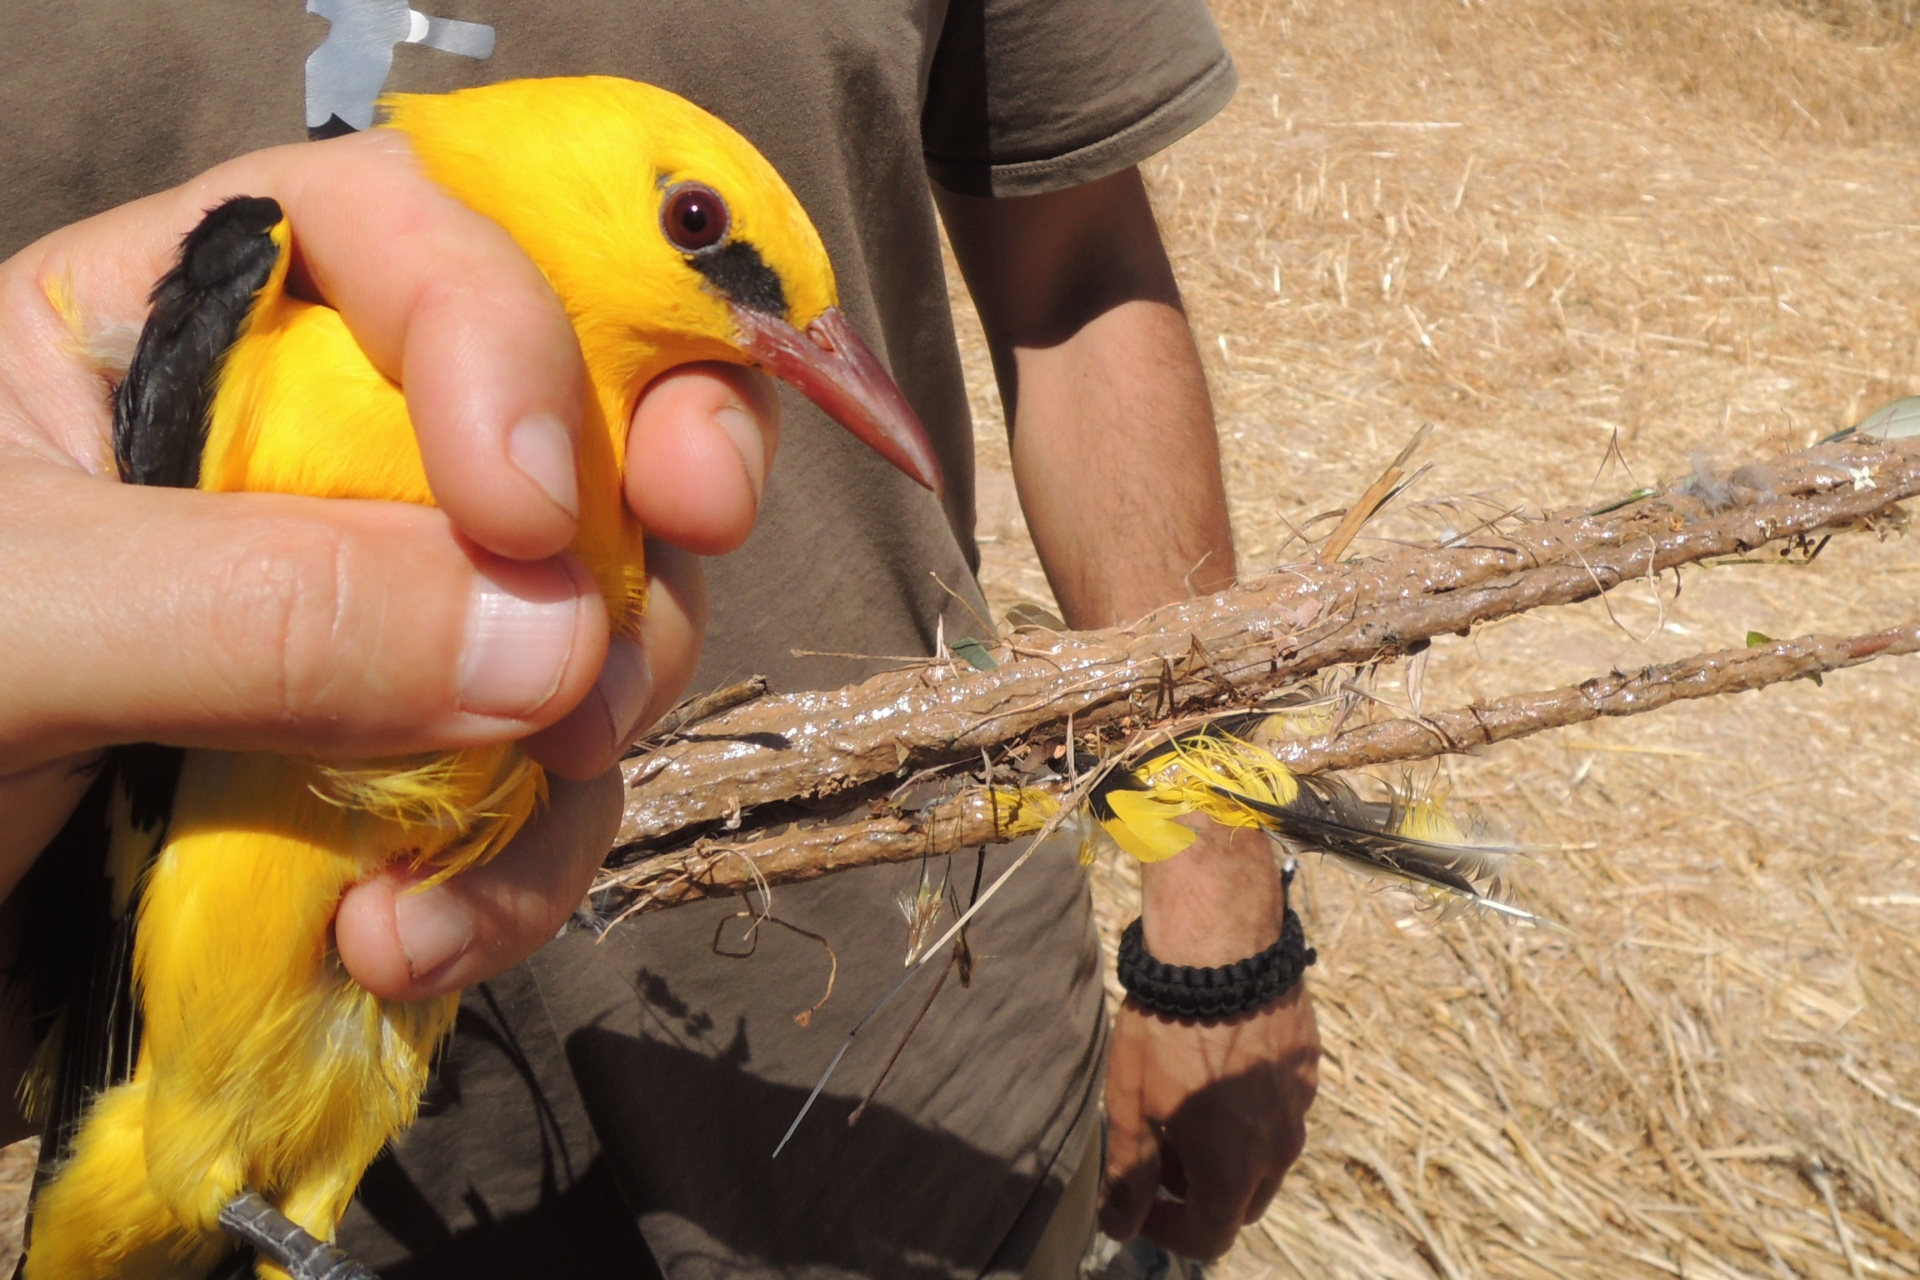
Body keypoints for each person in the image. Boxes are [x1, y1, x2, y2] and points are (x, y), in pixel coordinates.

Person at [0, 3, 1321, 1278]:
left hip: (927, 1096)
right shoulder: (261, 304)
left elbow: (1084, 272)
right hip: (227, 1141)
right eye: (696, 226)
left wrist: (1216, 890)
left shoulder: (599, 424)